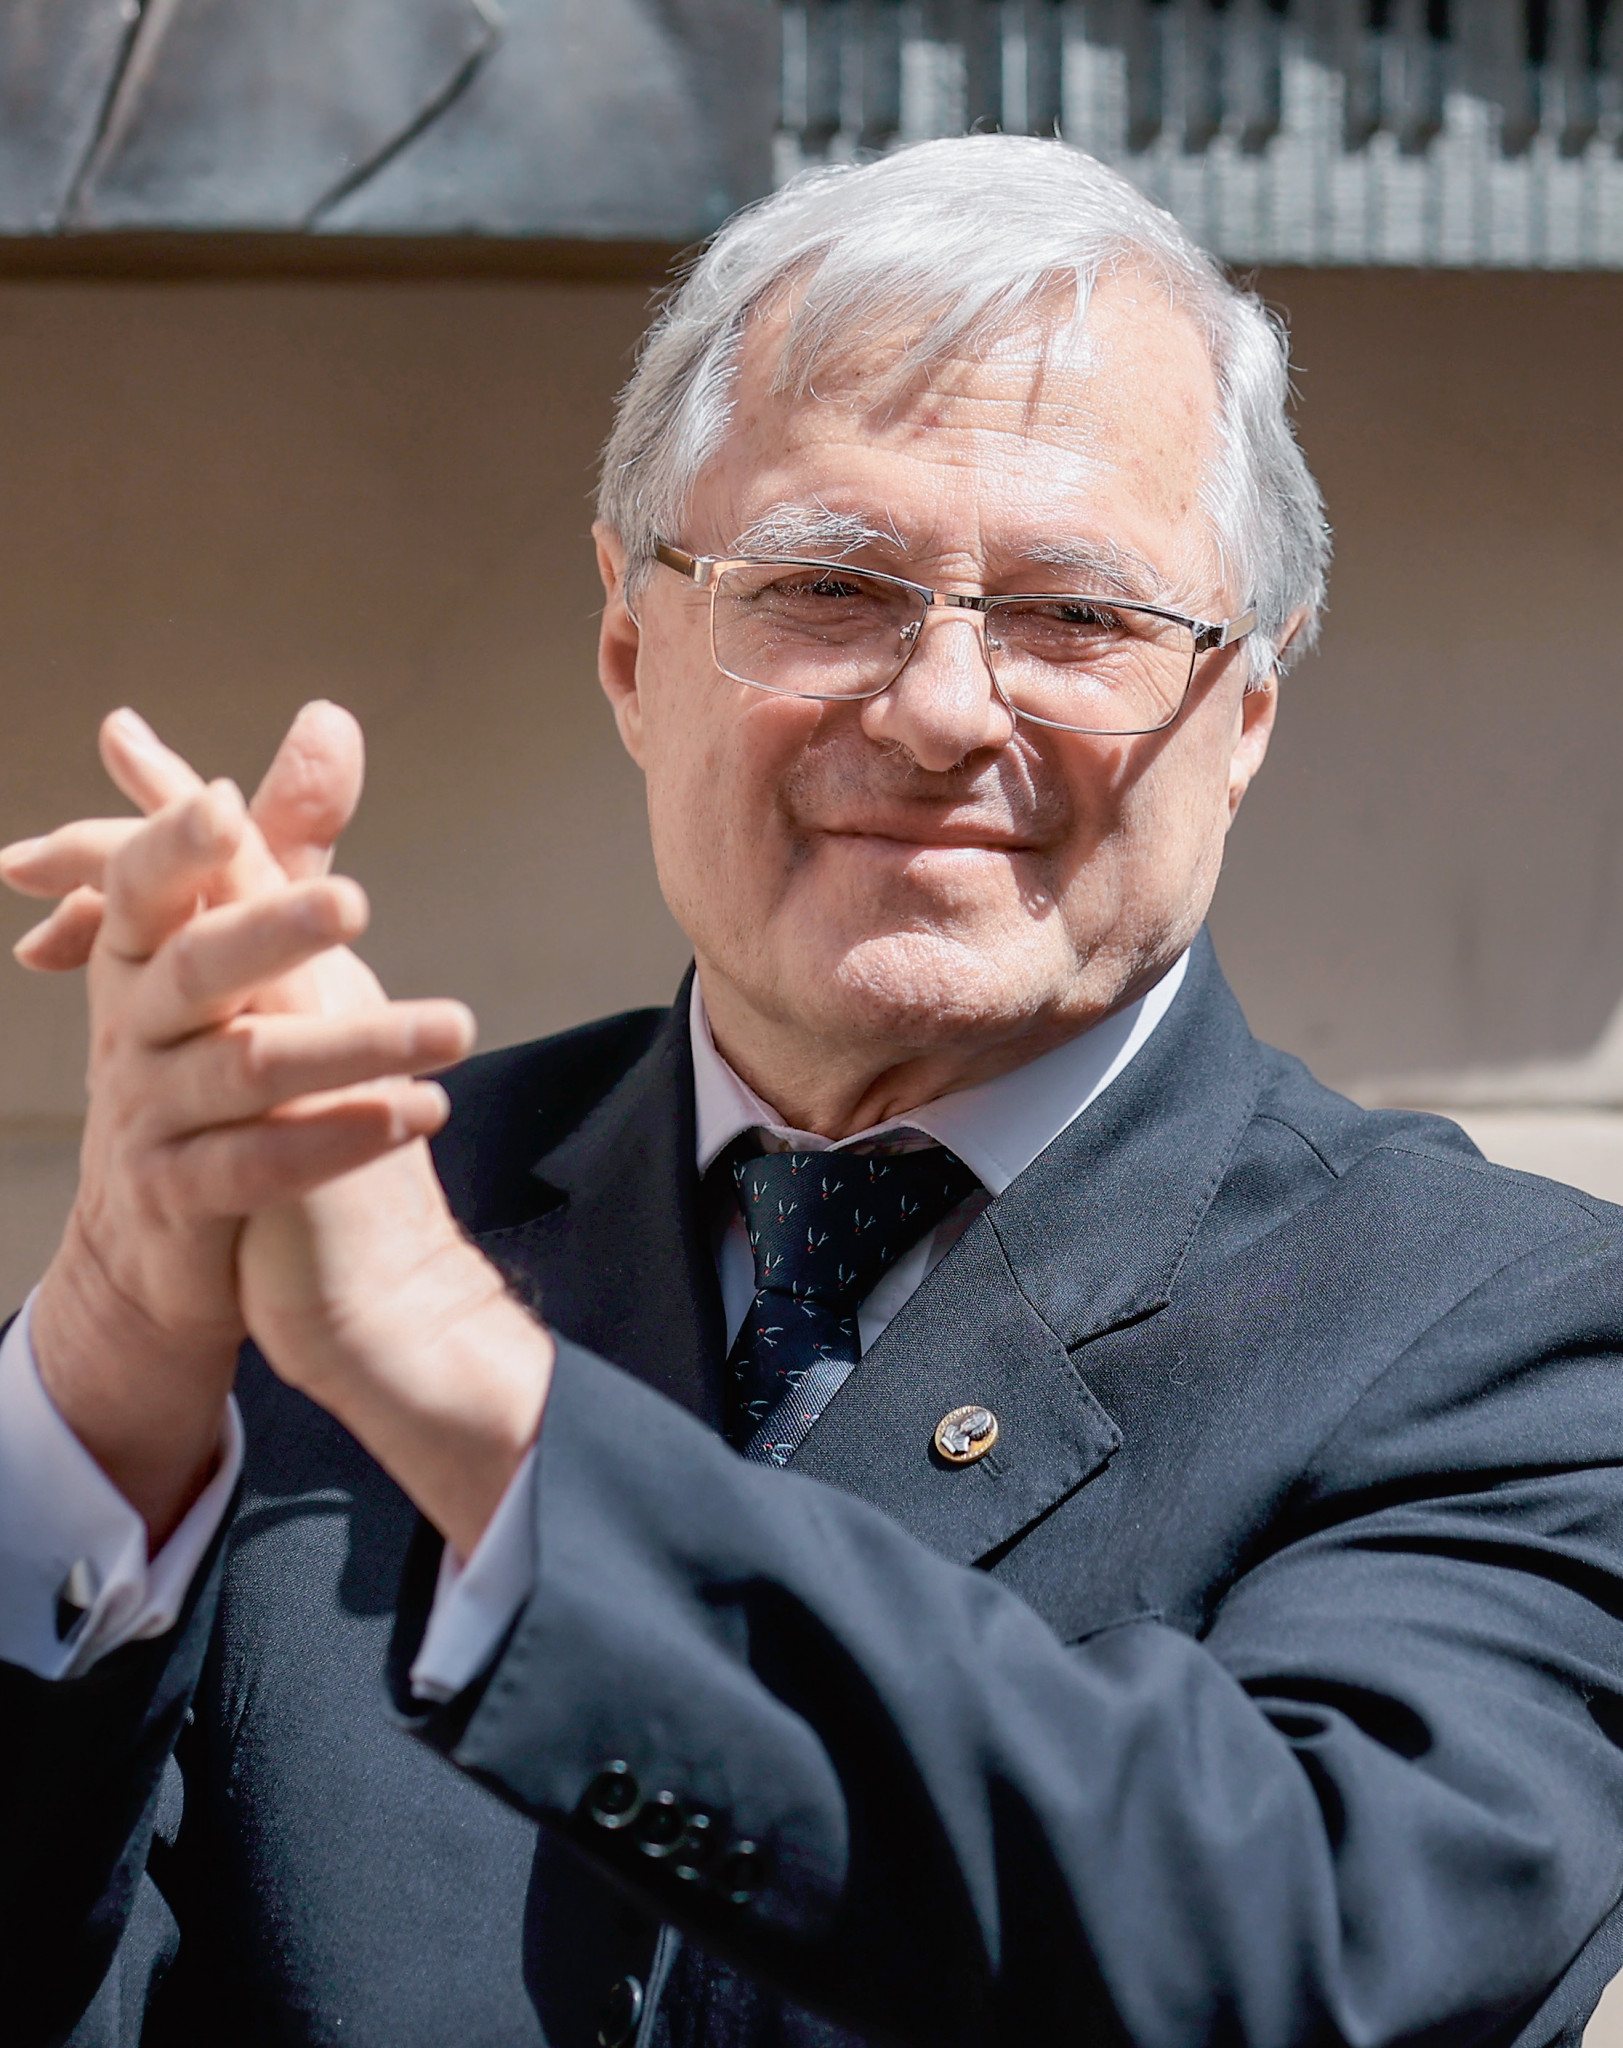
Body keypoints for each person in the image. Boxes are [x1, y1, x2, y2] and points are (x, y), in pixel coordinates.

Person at [5, 135, 1623, 2048]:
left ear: (1244, 711)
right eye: (830, 587)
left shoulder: (1504, 1328)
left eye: (1076, 616)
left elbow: (1303, 1952)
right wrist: (98, 1372)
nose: (940, 711)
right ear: (632, 649)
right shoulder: (305, 1234)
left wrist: (467, 1390)